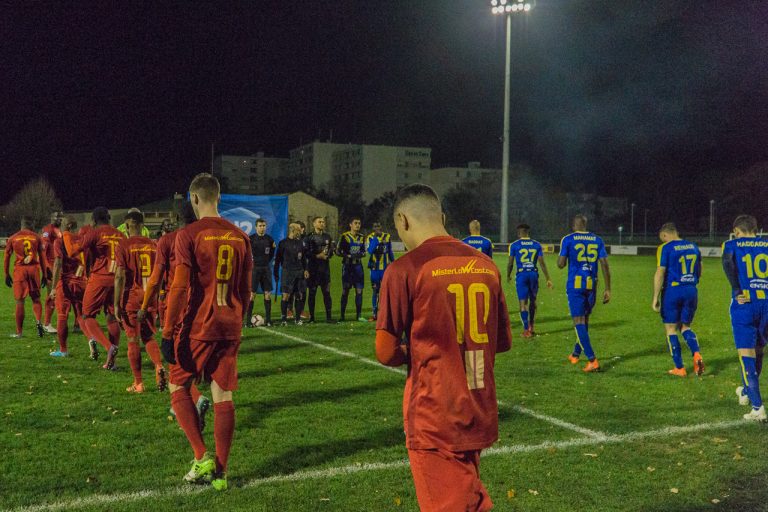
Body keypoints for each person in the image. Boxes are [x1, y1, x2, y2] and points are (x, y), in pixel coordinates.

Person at [376, 184, 512, 511]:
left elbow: (385, 351)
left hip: (435, 412)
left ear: (402, 221)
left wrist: (415, 351)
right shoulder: (486, 265)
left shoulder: (405, 268)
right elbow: (502, 342)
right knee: (470, 500)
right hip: (479, 405)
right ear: (443, 217)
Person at [162, 173, 252, 490]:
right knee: (222, 394)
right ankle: (222, 472)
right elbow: (246, 291)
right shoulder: (241, 236)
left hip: (199, 325)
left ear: (194, 199)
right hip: (231, 324)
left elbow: (179, 287)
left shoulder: (189, 234)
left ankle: (202, 459)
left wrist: (167, 332)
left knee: (177, 386)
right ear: (219, 197)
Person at [138, 202, 210, 429]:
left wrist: (145, 305)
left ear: (177, 218)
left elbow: (156, 277)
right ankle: (193, 395)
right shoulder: (206, 237)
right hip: (206, 304)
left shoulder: (169, 240)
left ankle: (194, 399)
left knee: (175, 354)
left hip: (177, 303)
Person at [63, 207, 126, 369]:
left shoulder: (95, 233)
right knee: (112, 317)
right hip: (118, 279)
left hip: (99, 278)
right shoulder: (121, 235)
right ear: (109, 218)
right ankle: (112, 362)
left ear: (94, 220)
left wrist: (66, 235)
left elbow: (72, 251)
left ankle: (108, 347)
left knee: (87, 316)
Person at [114, 210, 166, 393]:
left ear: (128, 225)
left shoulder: (123, 245)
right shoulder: (154, 245)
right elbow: (160, 274)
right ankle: (159, 366)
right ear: (143, 225)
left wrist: (116, 304)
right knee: (148, 336)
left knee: (132, 339)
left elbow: (120, 276)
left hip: (132, 298)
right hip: (150, 298)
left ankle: (138, 383)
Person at [722, 214, 768, 421]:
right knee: (758, 350)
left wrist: (736, 289)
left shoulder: (732, 244)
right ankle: (746, 393)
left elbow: (727, 264)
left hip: (745, 303)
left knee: (746, 353)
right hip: (766, 303)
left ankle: (758, 408)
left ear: (737, 231)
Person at [557, 214, 611, 372]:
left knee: (578, 322)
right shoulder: (597, 240)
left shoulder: (568, 239)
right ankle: (575, 353)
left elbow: (560, 264)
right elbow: (605, 265)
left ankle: (592, 359)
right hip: (592, 284)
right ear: (585, 225)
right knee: (585, 320)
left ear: (574, 225)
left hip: (576, 284)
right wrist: (608, 288)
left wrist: (563, 259)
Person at [652, 223, 705, 377]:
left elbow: (660, 272)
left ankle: (679, 368)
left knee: (671, 329)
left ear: (664, 235)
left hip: (673, 291)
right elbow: (700, 269)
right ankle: (696, 354)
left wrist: (655, 297)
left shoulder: (666, 247)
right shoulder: (693, 246)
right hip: (691, 289)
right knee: (685, 327)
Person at [48, 217, 88, 357]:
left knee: (62, 315)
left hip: (65, 282)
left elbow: (58, 263)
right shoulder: (82, 240)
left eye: (63, 223)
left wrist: (53, 287)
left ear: (69, 225)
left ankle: (63, 350)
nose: (61, 225)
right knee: (81, 315)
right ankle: (91, 341)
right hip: (81, 281)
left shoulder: (59, 241)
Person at [4, 217, 48, 338]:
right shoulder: (36, 237)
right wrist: (44, 274)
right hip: (34, 270)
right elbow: (42, 257)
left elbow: (7, 257)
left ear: (21, 225)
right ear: (31, 224)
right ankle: (39, 322)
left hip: (20, 270)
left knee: (20, 301)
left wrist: (6, 273)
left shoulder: (13, 237)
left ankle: (19, 332)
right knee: (36, 299)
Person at [507, 224, 553, 337]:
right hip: (533, 274)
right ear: (528, 232)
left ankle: (526, 329)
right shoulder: (536, 244)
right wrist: (548, 278)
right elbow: (542, 263)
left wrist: (508, 275)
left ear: (519, 233)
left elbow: (510, 263)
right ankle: (532, 325)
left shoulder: (514, 245)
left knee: (523, 303)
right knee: (533, 301)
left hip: (522, 275)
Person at [274, 223, 309, 326]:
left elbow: (303, 259)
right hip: (287, 272)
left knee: (299, 295)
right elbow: (278, 260)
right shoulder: (283, 243)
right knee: (285, 296)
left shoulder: (300, 243)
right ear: (292, 230)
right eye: (298, 230)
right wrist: (276, 273)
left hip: (298, 271)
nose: (300, 232)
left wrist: (306, 270)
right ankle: (284, 319)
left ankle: (297, 319)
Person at [305, 216, 335, 323]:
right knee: (312, 293)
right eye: (319, 222)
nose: (322, 223)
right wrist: (318, 256)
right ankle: (312, 318)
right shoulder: (309, 237)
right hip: (313, 269)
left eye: (323, 222)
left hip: (325, 270)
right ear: (314, 224)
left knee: (327, 293)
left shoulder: (328, 236)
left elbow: (331, 250)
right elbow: (306, 253)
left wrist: (328, 255)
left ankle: (329, 317)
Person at [246, 218, 275, 327]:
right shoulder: (250, 239)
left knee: (267, 294)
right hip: (255, 269)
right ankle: (248, 321)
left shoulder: (270, 240)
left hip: (266, 269)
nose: (262, 228)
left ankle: (268, 320)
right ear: (256, 227)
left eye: (264, 226)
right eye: (260, 226)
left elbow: (271, 253)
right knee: (252, 294)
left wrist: (266, 262)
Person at [336, 217, 366, 322]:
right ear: (350, 225)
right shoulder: (344, 236)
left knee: (359, 291)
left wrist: (361, 254)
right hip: (347, 267)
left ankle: (359, 316)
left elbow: (364, 251)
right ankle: (342, 316)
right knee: (345, 291)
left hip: (358, 267)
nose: (358, 225)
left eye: (359, 223)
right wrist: (347, 255)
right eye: (355, 223)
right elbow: (338, 251)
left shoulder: (362, 237)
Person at [365, 221, 395, 321]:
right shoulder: (370, 237)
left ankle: (386, 313)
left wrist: (394, 262)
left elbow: (390, 251)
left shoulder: (387, 236)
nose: (377, 228)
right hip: (374, 269)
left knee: (387, 291)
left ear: (381, 227)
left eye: (378, 226)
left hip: (385, 269)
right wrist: (376, 239)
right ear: (373, 228)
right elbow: (370, 251)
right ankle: (374, 314)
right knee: (375, 290)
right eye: (375, 226)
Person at [40, 211, 63, 334]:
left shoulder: (59, 230)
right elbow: (43, 251)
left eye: (60, 216)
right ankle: (47, 323)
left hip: (59, 266)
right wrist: (47, 269)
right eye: (56, 217)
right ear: (51, 218)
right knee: (52, 294)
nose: (59, 219)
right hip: (52, 267)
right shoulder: (48, 230)